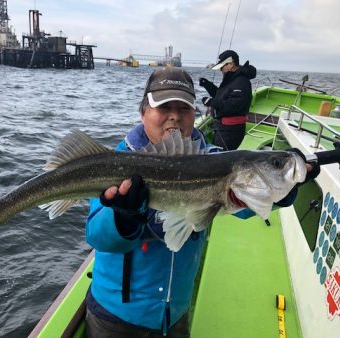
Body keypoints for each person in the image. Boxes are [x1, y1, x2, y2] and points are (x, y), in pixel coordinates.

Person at [84, 67, 317, 338]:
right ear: (143, 112)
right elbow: (96, 235)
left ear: (194, 114)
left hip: (175, 315)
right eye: (164, 107)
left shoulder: (213, 158)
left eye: (184, 108)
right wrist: (122, 219)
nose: (175, 115)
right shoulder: (116, 164)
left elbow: (244, 202)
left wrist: (285, 187)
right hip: (116, 316)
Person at [199, 50, 257, 150]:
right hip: (223, 128)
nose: (220, 70)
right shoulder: (232, 78)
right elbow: (221, 97)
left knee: (220, 159)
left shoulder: (242, 81)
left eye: (222, 67)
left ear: (230, 64)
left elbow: (234, 106)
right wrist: (207, 85)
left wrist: (211, 102)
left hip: (230, 131)